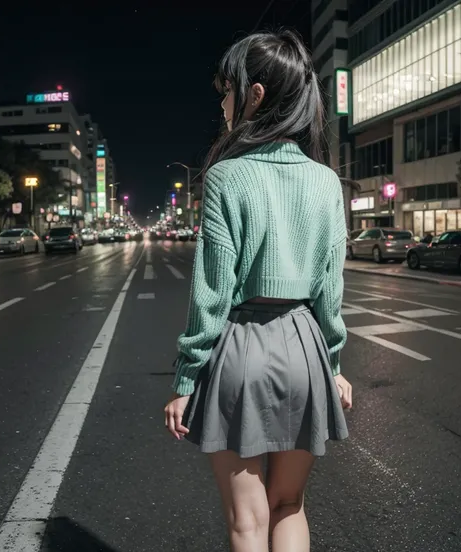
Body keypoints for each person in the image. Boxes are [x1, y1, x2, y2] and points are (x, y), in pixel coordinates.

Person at [163, 31, 352, 552]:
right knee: (288, 504)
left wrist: (186, 377)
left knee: (247, 521)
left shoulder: (225, 176)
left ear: (256, 95)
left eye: (227, 90)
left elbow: (212, 293)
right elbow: (330, 290)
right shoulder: (324, 182)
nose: (222, 102)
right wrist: (333, 367)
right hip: (305, 348)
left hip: (241, 346)